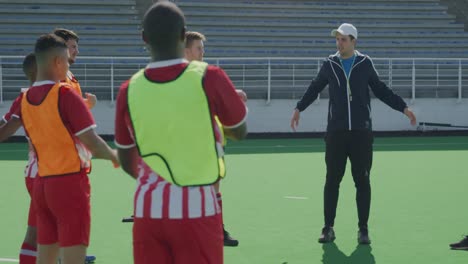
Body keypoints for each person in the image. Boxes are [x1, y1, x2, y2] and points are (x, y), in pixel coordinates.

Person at [115, 2, 247, 263]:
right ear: (183, 34)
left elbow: (126, 159)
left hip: (147, 210)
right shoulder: (209, 75)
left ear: (144, 38)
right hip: (197, 207)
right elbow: (238, 130)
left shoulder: (128, 89)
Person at [290, 23, 416, 245]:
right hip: (336, 133)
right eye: (337, 39)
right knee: (332, 180)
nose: (339, 43)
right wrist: (299, 108)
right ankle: (328, 228)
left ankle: (363, 229)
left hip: (361, 133)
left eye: (343, 39)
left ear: (353, 41)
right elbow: (315, 87)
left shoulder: (365, 63)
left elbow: (381, 89)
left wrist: (404, 108)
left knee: (363, 181)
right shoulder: (329, 64)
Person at [0, 34, 119, 264]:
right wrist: (116, 156)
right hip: (67, 179)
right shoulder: (64, 93)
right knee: (66, 247)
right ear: (56, 61)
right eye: (67, 57)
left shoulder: (26, 98)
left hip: (42, 178)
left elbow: (7, 129)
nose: (69, 64)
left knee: (46, 244)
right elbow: (91, 140)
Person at [184, 30, 247, 247]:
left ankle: (217, 231)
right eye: (199, 48)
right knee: (197, 194)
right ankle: (202, 234)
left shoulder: (202, 75)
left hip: (213, 145)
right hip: (194, 148)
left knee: (214, 191)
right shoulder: (187, 76)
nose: (203, 53)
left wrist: (232, 93)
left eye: (203, 48)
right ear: (186, 51)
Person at [53, 28, 97, 109]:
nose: (77, 52)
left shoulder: (69, 74)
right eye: (73, 47)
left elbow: (72, 105)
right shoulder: (55, 74)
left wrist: (87, 103)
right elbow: (62, 108)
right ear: (61, 48)